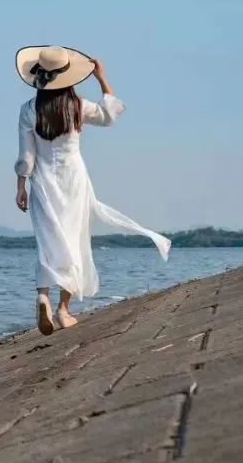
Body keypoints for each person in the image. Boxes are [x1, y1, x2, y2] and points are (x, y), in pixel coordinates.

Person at [14, 46, 170, 336]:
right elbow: (108, 115)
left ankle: (43, 295)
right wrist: (101, 77)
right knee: (75, 240)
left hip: (44, 182)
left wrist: (21, 186)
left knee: (48, 242)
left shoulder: (28, 110)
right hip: (74, 181)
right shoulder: (77, 106)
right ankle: (63, 310)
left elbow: (27, 157)